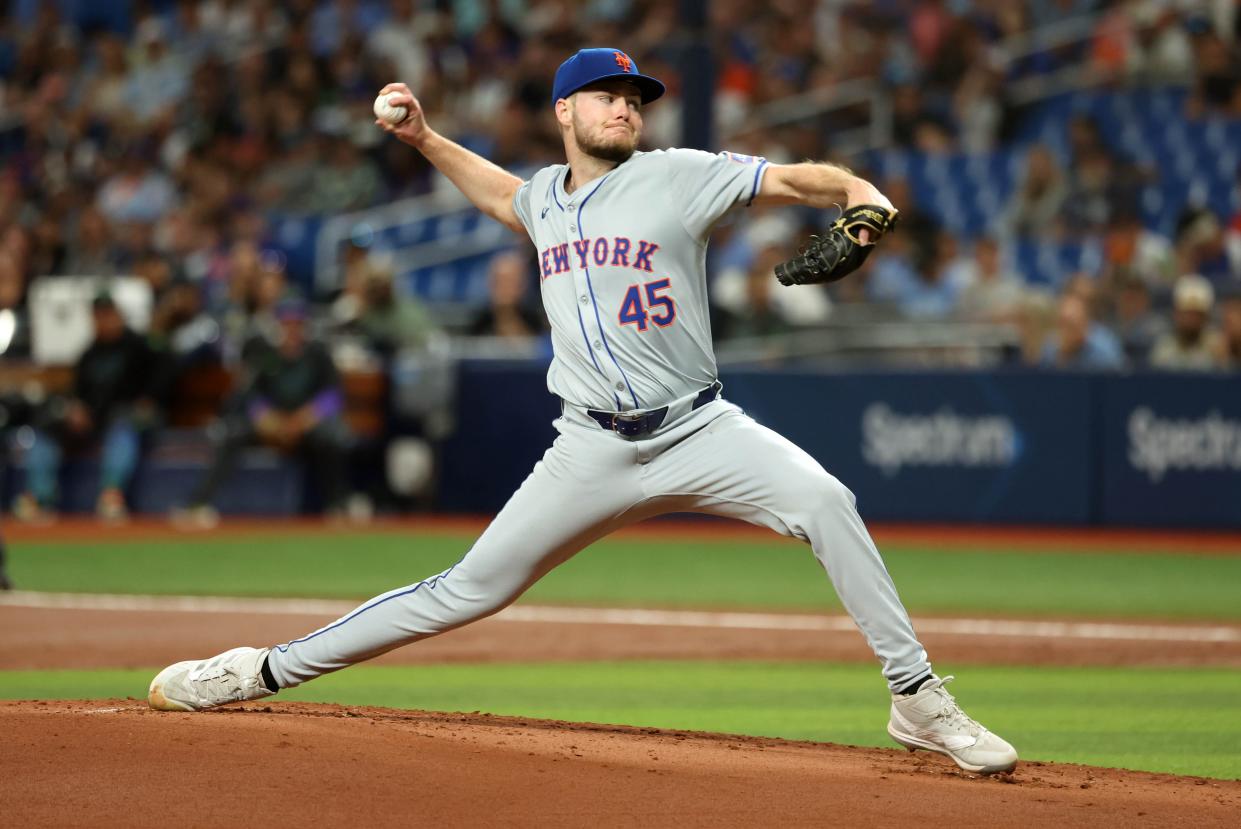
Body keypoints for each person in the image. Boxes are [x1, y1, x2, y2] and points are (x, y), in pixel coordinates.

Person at [148, 48, 1018, 776]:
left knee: (827, 501)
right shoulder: (544, 198)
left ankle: (918, 701)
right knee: (463, 590)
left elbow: (801, 177)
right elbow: (498, 195)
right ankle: (255, 669)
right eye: (609, 96)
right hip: (588, 448)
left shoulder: (681, 177)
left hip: (699, 428)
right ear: (566, 110)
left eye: (636, 99)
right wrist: (422, 137)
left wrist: (862, 198)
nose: (627, 109)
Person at [172, 297, 353, 527]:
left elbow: (333, 396)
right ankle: (198, 504)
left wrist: (303, 420)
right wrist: (269, 419)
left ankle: (338, 506)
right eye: (287, 323)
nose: (292, 329)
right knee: (232, 434)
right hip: (269, 425)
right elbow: (249, 396)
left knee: (332, 437)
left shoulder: (317, 353)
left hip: (306, 424)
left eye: (297, 323)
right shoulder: (263, 352)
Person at [15, 293, 159, 523]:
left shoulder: (138, 347)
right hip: (92, 419)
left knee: (123, 425)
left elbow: (157, 383)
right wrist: (76, 410)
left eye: (108, 315)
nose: (103, 321)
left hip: (124, 418)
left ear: (118, 315)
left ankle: (111, 495)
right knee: (46, 429)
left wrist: (148, 400)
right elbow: (78, 393)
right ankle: (39, 498)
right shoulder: (89, 353)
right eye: (98, 316)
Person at [1149, 274, 1225, 371]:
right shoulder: (1164, 348)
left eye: (1196, 314)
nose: (1191, 320)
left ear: (1206, 317)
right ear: (1176, 315)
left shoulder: (1217, 346)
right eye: (1186, 314)